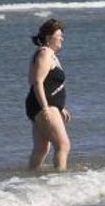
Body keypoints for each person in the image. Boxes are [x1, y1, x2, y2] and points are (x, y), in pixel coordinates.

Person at [26, 18, 72, 171]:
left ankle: (30, 178)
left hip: (41, 105)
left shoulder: (49, 54)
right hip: (43, 106)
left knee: (41, 149)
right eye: (59, 35)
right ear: (48, 37)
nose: (62, 38)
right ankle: (61, 180)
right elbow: (37, 82)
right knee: (63, 145)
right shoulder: (45, 53)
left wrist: (61, 107)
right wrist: (46, 108)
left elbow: (52, 84)